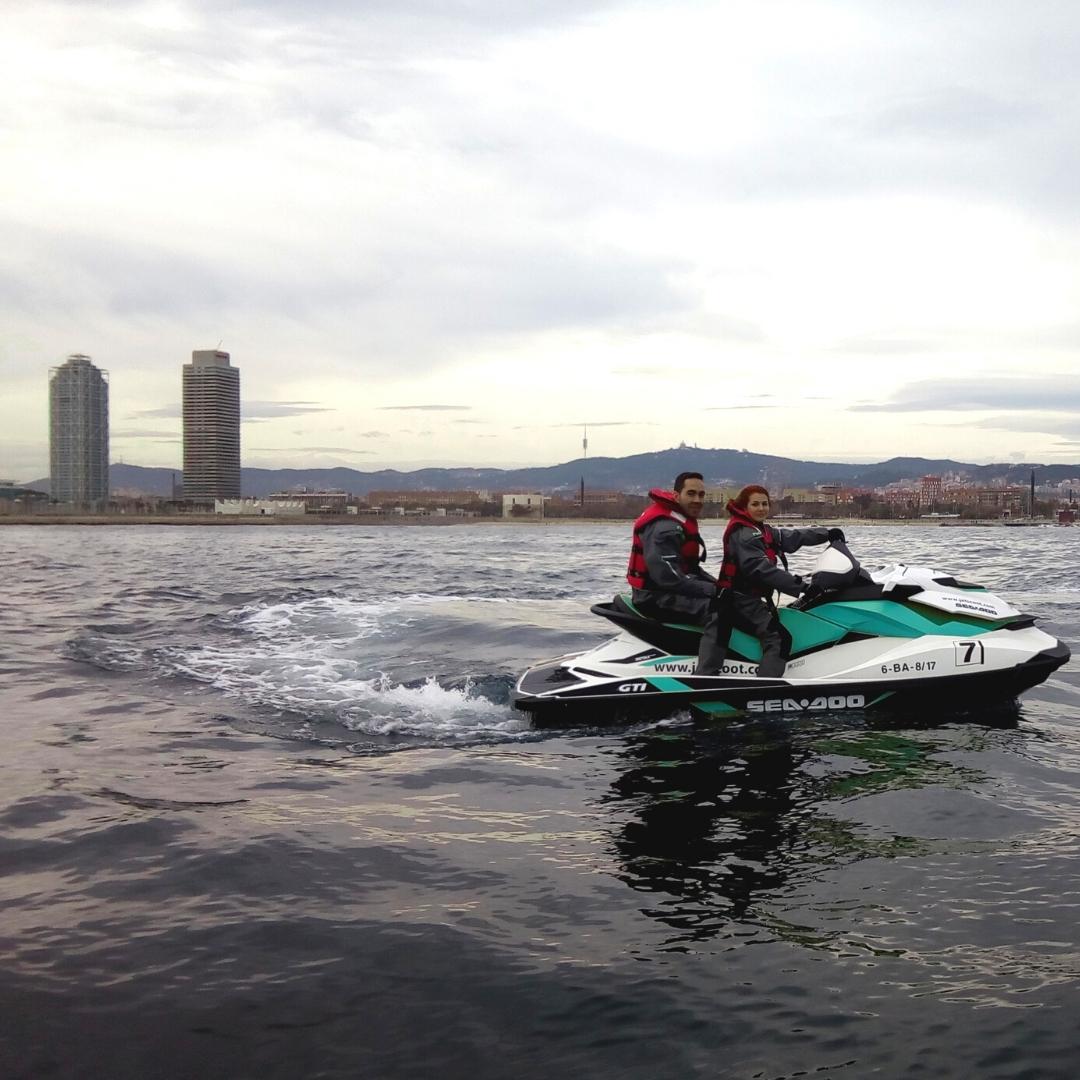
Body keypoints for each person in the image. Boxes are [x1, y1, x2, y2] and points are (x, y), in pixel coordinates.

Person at [718, 484, 844, 678]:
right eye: (755, 504)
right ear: (744, 507)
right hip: (740, 601)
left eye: (765, 504)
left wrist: (827, 534)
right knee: (779, 638)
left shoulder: (760, 530)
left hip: (750, 600)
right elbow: (763, 570)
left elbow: (792, 536)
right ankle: (764, 690)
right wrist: (803, 587)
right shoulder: (744, 535)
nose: (761, 508)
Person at [626, 472, 730, 674]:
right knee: (719, 611)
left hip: (664, 591)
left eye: (701, 495)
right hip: (654, 597)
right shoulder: (665, 528)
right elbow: (668, 578)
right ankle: (707, 678)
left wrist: (723, 587)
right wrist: (716, 592)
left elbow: (690, 570)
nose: (697, 500)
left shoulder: (678, 521)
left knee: (730, 598)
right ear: (676, 496)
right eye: (691, 494)